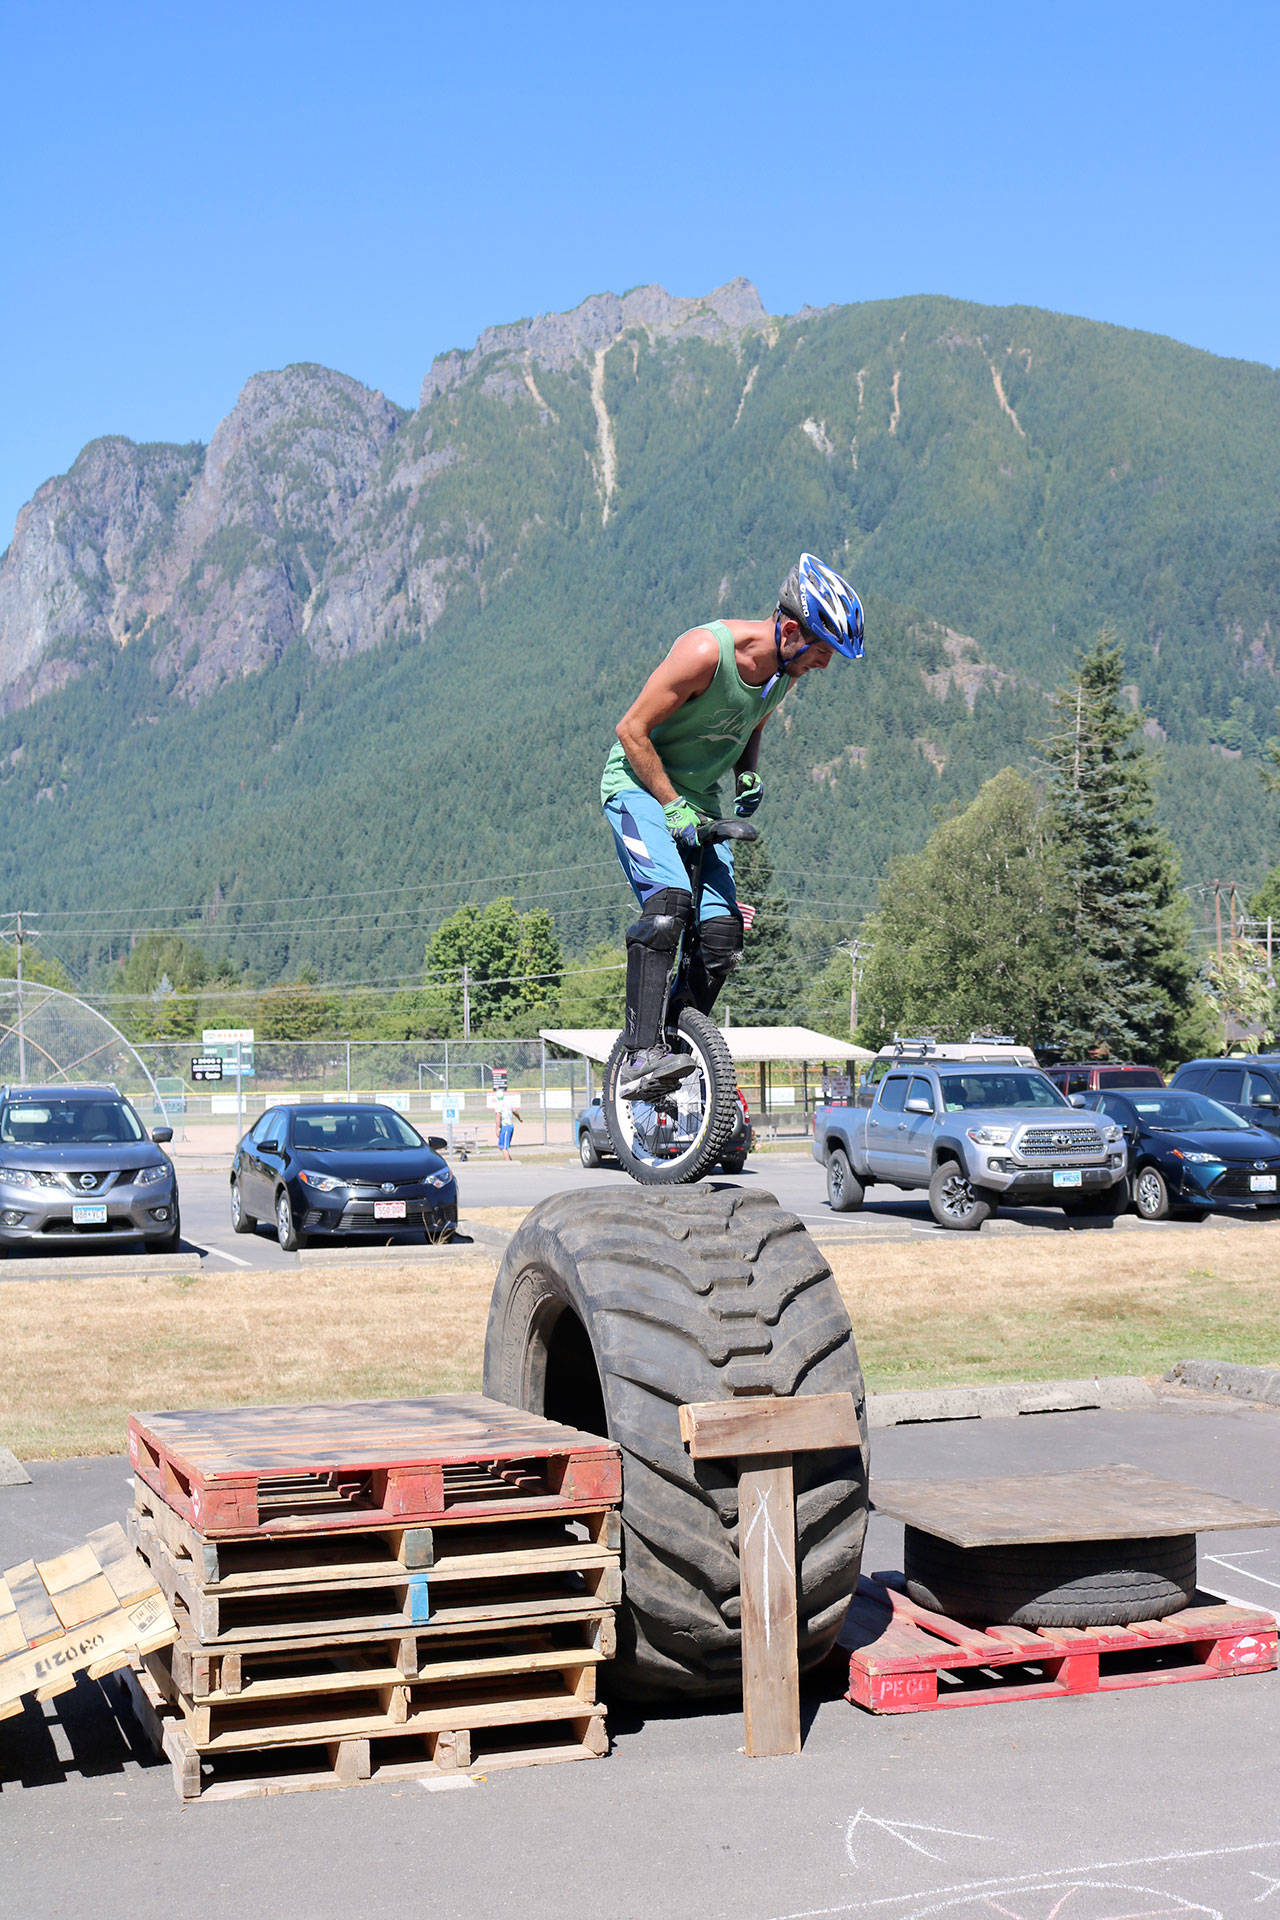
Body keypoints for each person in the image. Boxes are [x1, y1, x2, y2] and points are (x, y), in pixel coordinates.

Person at [601, 553, 865, 1099]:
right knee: (671, 903)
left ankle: (674, 1042)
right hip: (638, 787)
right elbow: (631, 730)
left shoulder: (782, 674)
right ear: (791, 630)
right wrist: (671, 804)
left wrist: (747, 773)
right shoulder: (705, 653)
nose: (825, 664)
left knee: (721, 935)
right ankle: (639, 1052)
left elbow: (752, 724)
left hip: (698, 800)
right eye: (822, 649)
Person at [495, 1089, 520, 1159]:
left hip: (506, 1127)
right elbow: (515, 1111)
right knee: (501, 1146)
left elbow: (498, 1116)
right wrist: (519, 1118)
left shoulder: (498, 1104)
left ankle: (509, 1165)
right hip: (509, 1126)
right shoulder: (508, 1103)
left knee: (503, 1147)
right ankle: (510, 1163)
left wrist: (497, 1128)